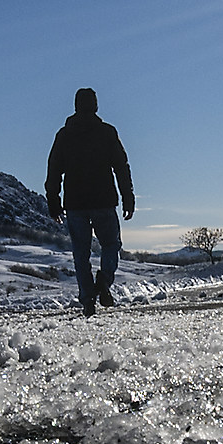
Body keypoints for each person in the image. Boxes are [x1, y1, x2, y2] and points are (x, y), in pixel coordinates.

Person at [44, 87, 134, 316]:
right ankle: (103, 281)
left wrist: (53, 200)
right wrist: (128, 196)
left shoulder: (64, 135)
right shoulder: (107, 132)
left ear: (75, 106)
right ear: (95, 106)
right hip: (103, 201)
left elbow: (54, 171)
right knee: (111, 245)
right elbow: (121, 168)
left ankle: (87, 300)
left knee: (81, 254)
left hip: (75, 204)